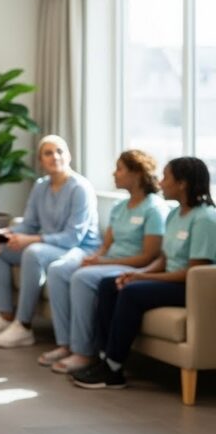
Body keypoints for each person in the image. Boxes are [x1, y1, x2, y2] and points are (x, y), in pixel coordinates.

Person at [72, 156, 216, 389]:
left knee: (131, 293)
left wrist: (144, 277)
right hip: (171, 279)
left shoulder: (205, 219)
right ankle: (103, 358)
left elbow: (194, 272)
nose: (160, 182)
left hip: (190, 288)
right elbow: (164, 258)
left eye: (166, 177)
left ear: (182, 184)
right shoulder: (174, 214)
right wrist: (138, 274)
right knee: (109, 285)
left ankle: (114, 370)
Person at [40, 150, 167, 373]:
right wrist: (94, 258)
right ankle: (65, 344)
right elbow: (106, 246)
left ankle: (84, 352)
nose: (114, 173)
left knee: (82, 277)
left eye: (119, 169)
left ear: (136, 174)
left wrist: (99, 265)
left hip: (132, 264)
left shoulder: (154, 208)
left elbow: (148, 256)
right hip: (109, 261)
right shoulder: (119, 207)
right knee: (59, 270)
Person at [0, 135, 102, 348]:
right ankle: (4, 316)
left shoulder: (80, 188)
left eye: (60, 151)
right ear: (40, 161)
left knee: (33, 251)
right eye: (48, 153)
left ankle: (23, 326)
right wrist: (3, 234)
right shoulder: (41, 186)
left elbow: (73, 237)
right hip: (49, 245)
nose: (55, 156)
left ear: (68, 155)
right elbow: (29, 224)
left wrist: (29, 240)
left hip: (78, 249)